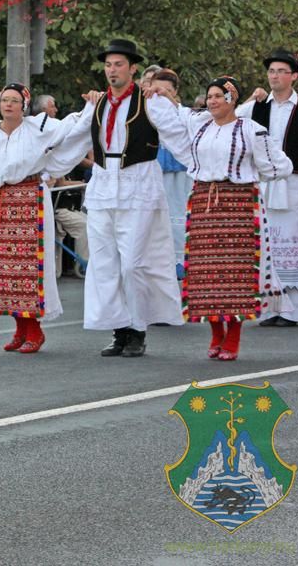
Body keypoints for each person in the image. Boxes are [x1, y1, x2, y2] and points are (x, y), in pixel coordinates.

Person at [148, 76, 293, 360]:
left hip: (238, 204)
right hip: (203, 201)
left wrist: (251, 178)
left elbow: (279, 165)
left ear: (232, 99)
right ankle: (216, 334)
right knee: (205, 273)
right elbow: (173, 113)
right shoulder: (200, 124)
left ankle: (234, 337)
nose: (212, 101)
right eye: (210, 96)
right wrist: (157, 94)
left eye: (218, 96)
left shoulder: (251, 130)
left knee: (235, 273)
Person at [76, 39, 184, 357]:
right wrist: (42, 164)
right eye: (108, 65)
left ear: (132, 68)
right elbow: (70, 138)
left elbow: (180, 134)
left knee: (133, 264)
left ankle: (138, 329)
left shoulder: (151, 101)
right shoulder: (97, 103)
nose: (112, 70)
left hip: (138, 183)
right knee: (105, 263)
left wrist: (205, 167)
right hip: (103, 184)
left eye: (118, 64)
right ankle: (119, 330)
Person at [0, 83, 93, 353]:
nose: (8, 105)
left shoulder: (39, 127)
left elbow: (70, 128)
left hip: (29, 201)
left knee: (29, 269)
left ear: (24, 105)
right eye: (5, 100)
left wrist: (91, 108)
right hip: (0, 204)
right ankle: (19, 328)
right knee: (6, 271)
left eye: (14, 101)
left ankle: (34, 331)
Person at [238, 49, 298, 327]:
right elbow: (227, 117)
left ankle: (295, 311)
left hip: (296, 184)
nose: (275, 76)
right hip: (266, 185)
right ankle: (271, 308)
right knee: (267, 245)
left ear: (294, 76)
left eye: (281, 71)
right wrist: (248, 98)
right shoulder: (257, 106)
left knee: (295, 243)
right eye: (271, 71)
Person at [150, 69, 191, 278]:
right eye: (157, 88)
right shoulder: (147, 109)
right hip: (153, 167)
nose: (161, 93)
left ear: (175, 92)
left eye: (167, 90)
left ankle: (180, 261)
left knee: (178, 211)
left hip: (179, 169)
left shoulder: (182, 113)